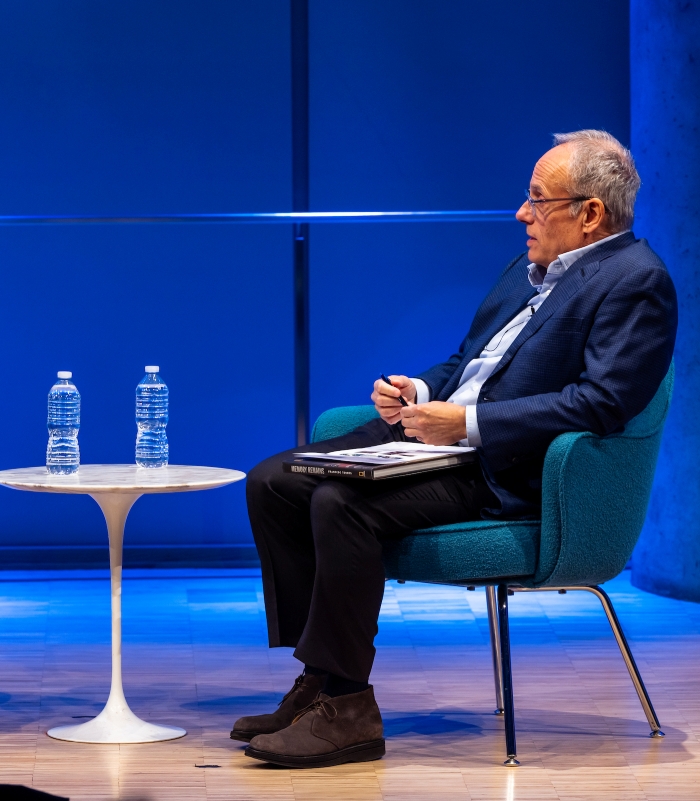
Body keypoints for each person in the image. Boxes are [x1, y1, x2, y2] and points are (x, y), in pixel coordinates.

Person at [234, 130, 677, 768]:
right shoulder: (527, 269)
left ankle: (347, 707)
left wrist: (468, 424)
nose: (522, 213)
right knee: (273, 481)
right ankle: (319, 682)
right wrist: (417, 391)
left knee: (340, 502)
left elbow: (600, 403)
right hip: (438, 436)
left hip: (505, 466)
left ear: (590, 213)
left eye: (537, 199)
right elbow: (469, 362)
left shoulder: (638, 282)